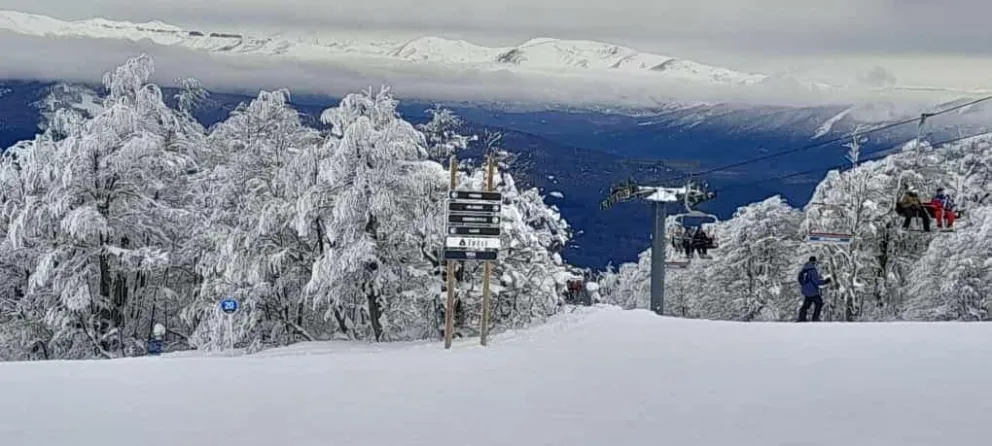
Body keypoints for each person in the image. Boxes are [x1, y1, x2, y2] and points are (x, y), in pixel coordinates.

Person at [797, 256, 831, 322]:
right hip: (812, 291)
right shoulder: (812, 270)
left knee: (806, 305)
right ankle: (815, 318)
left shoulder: (804, 269)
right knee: (819, 303)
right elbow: (816, 281)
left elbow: (801, 280)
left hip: (806, 290)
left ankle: (802, 318)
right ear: (814, 261)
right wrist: (825, 281)